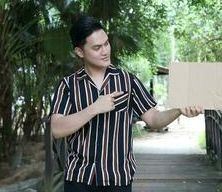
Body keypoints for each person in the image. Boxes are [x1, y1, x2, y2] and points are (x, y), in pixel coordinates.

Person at [50, 16, 204, 192]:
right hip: (79, 178)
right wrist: (94, 108)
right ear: (79, 52)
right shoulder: (68, 85)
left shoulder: (127, 81)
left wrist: (179, 110)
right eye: (97, 47)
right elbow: (56, 129)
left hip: (118, 178)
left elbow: (154, 119)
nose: (105, 51)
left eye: (106, 43)